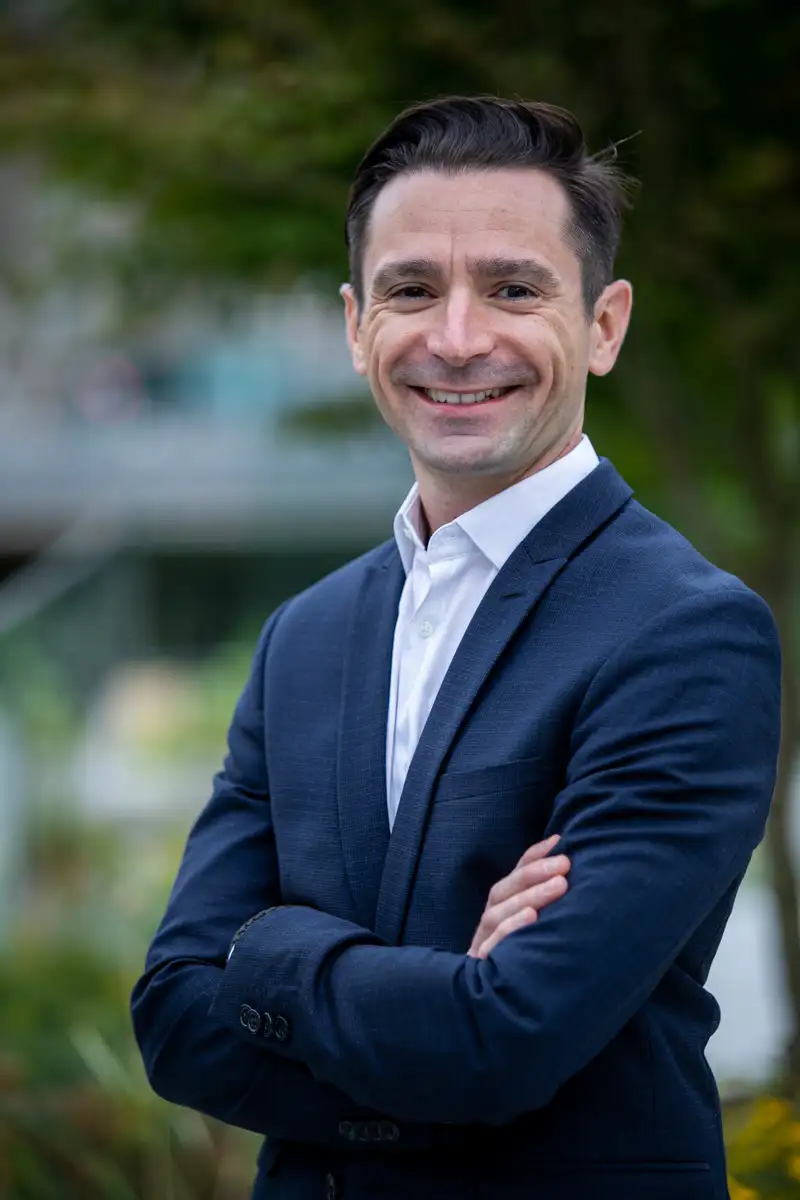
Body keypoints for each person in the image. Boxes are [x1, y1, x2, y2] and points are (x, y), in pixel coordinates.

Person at [131, 96, 781, 1200]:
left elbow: (508, 1039)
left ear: (604, 324)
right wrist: (436, 1017)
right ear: (354, 326)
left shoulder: (685, 630)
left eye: (513, 289)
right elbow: (174, 1021)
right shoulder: (307, 635)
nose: (457, 337)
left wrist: (272, 953)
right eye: (411, 290)